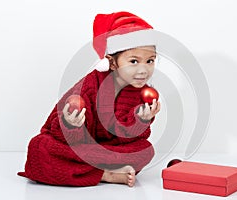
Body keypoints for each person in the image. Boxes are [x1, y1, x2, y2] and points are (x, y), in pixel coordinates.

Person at [18, 11, 160, 187]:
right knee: (40, 147)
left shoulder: (144, 94)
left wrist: (141, 121)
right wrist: (72, 124)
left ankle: (89, 169)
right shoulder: (89, 87)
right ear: (112, 62)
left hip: (107, 149)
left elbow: (129, 139)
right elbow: (64, 137)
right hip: (79, 145)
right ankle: (104, 174)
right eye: (133, 61)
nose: (143, 70)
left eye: (150, 61)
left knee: (145, 150)